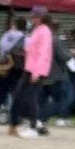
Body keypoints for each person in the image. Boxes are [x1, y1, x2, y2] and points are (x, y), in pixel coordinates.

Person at [11, 7, 53, 138]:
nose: (32, 18)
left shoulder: (44, 31)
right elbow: (34, 50)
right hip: (29, 67)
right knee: (19, 95)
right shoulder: (36, 30)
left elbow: (43, 52)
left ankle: (33, 127)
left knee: (31, 98)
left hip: (37, 70)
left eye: (35, 16)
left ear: (41, 17)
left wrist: (37, 72)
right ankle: (36, 122)